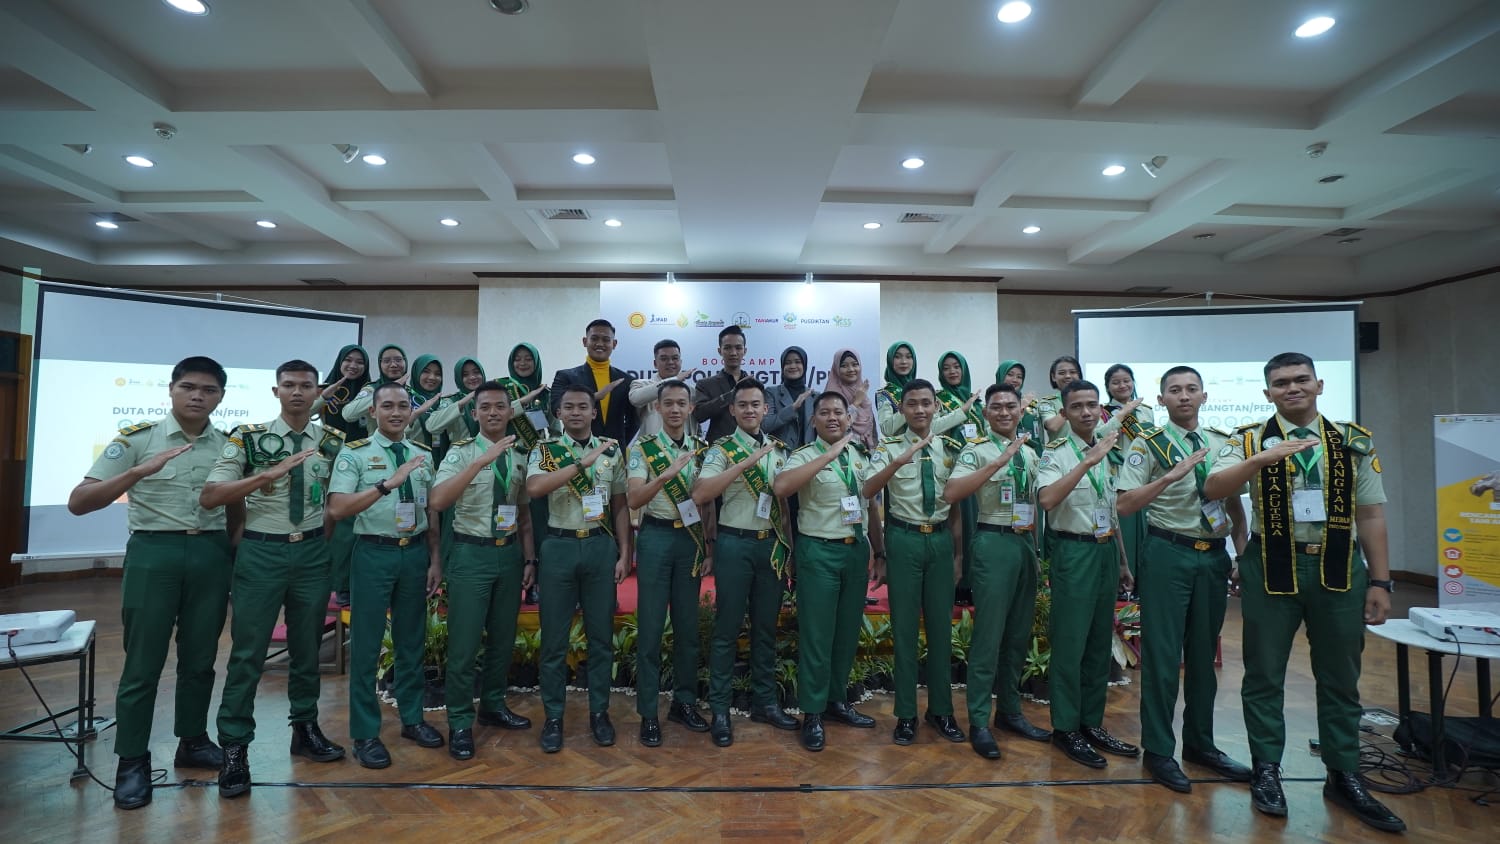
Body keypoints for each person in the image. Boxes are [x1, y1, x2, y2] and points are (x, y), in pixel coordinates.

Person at [1204, 353, 1404, 833]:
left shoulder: (1352, 442)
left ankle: (1343, 772)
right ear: (1267, 392)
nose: (1291, 388)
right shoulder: (1248, 437)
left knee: (1339, 676)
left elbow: (1371, 514)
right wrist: (1259, 459)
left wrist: (1380, 581)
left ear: (1319, 384)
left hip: (1337, 569)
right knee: (1263, 675)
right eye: (1280, 383)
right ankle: (1267, 770)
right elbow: (1213, 487)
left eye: (1300, 380)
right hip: (1271, 568)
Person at [67, 356, 238, 810]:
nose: (197, 396)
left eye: (208, 389)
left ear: (221, 396)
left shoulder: (229, 446)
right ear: (171, 390)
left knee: (201, 659)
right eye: (188, 387)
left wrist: (233, 555)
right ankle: (132, 762)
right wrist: (136, 472)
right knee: (143, 664)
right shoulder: (137, 441)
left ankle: (193, 741)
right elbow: (79, 502)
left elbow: (235, 505)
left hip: (211, 553)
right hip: (153, 553)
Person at [200, 360, 348, 798]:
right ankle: (235, 748)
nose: (298, 392)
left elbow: (336, 504)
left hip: (313, 552)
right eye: (289, 385)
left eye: (306, 385)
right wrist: (264, 476)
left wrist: (319, 539)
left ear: (318, 390)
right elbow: (212, 496)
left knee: (307, 649)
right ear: (275, 391)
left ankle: (305, 729)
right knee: (248, 653)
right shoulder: (247, 438)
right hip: (262, 551)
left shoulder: (333, 441)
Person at [1115, 366, 1251, 793]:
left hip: (1212, 557)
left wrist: (1241, 553)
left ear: (1205, 396)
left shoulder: (1220, 442)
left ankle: (1200, 743)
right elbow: (1125, 504)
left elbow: (1231, 503)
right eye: (1174, 390)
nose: (1184, 396)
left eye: (1192, 389)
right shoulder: (1147, 443)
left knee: (1203, 656)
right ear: (1161, 400)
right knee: (1161, 657)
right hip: (1167, 554)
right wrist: (1168, 477)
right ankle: (1158, 750)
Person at [326, 382, 443, 769]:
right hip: (373, 553)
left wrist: (435, 559)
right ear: (373, 412)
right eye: (388, 406)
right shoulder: (355, 453)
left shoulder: (422, 454)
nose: (396, 412)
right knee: (366, 646)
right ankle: (365, 733)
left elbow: (431, 512)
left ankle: (412, 718)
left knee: (412, 642)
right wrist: (383, 486)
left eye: (403, 406)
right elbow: (338, 509)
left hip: (414, 555)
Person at [427, 381, 536, 760]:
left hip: (508, 557)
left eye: (499, 407)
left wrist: (529, 560)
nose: (492, 413)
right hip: (470, 556)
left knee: (502, 641)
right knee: (464, 644)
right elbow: (438, 501)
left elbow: (524, 515)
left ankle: (492, 706)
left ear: (510, 412)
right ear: (474, 413)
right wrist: (478, 463)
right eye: (485, 407)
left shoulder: (521, 454)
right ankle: (460, 721)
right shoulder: (459, 454)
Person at [1035, 379, 1139, 769]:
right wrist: (1086, 462)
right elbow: (1046, 500)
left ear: (1100, 409)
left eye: (1091, 405)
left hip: (1105, 550)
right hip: (1073, 551)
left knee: (1099, 643)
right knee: (1071, 643)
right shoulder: (1057, 452)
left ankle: (1091, 723)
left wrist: (1124, 562)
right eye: (1076, 406)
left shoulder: (1109, 447)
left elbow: (1110, 509)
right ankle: (1065, 729)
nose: (1085, 412)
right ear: (1064, 412)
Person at [943, 383, 1051, 760]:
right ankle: (978, 722)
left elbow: (1036, 502)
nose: (1004, 412)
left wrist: (1035, 551)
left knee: (1019, 634)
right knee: (988, 637)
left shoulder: (1032, 452)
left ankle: (1010, 712)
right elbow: (952, 493)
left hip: (1024, 543)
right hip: (992, 541)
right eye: (997, 407)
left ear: (1021, 410)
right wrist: (996, 463)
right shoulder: (976, 451)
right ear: (985, 413)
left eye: (1011, 406)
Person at [691, 379, 798, 746]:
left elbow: (783, 507)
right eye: (744, 405)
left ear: (766, 409)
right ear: (733, 411)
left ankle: (765, 702)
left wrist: (789, 549)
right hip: (734, 545)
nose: (750, 410)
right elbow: (702, 493)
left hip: (769, 547)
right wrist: (746, 462)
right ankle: (720, 709)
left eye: (757, 404)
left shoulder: (779, 450)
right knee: (726, 630)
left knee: (766, 629)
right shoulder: (721, 450)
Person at [525, 385, 631, 753]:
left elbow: (620, 503)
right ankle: (553, 717)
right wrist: (579, 465)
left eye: (582, 407)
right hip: (558, 546)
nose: (575, 412)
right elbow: (536, 488)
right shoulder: (546, 450)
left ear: (593, 411)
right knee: (554, 640)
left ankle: (599, 713)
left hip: (601, 546)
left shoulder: (611, 449)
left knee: (600, 638)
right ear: (558, 413)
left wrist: (624, 552)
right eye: (568, 407)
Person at [861, 379, 966, 747]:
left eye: (926, 403)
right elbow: (868, 492)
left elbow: (954, 506)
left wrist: (957, 554)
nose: (920, 410)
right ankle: (906, 714)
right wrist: (881, 554)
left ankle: (942, 711)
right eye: (912, 404)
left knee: (941, 630)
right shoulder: (888, 447)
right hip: (903, 539)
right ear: (902, 410)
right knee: (904, 630)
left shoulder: (950, 448)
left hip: (938, 539)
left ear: (936, 406)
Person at [773, 391, 880, 751]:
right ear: (814, 421)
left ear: (850, 419)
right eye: (825, 413)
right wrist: (829, 455)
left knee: (846, 633)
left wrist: (876, 550)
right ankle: (813, 713)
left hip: (854, 551)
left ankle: (837, 702)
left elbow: (870, 505)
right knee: (818, 637)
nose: (833, 418)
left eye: (839, 412)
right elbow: (782, 488)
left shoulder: (860, 455)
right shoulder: (803, 455)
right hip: (818, 551)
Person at [625, 379, 715, 746]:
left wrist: (708, 546)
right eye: (669, 404)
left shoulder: (701, 448)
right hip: (656, 537)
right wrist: (665, 475)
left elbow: (706, 503)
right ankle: (648, 712)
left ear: (691, 408)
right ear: (657, 408)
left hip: (689, 540)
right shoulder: (642, 450)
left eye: (682, 403)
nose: (676, 409)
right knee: (649, 629)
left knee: (688, 629)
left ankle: (684, 702)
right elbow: (633, 499)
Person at [1098, 363, 1151, 582]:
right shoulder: (1102, 411)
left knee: (1145, 531)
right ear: (1108, 387)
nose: (1122, 385)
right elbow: (1100, 436)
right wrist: (1123, 413)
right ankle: (1124, 581)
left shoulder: (1146, 410)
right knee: (1125, 531)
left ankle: (1143, 583)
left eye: (1126, 380)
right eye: (1116, 382)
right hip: (1119, 475)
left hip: (1145, 479)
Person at [550, 319, 639, 446]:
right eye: (594, 338)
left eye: (606, 340)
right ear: (585, 342)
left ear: (614, 344)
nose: (600, 343)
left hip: (614, 453)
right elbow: (556, 409)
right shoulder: (565, 376)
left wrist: (619, 443)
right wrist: (595, 397)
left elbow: (634, 421)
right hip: (575, 449)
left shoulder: (626, 380)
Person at [692, 325, 751, 443]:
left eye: (738, 348)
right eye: (727, 348)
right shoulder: (705, 384)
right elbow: (699, 415)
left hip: (750, 447)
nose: (733, 353)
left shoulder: (754, 385)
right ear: (720, 351)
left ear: (745, 351)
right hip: (718, 450)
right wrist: (731, 395)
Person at [628, 339, 692, 442]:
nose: (670, 362)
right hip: (652, 451)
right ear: (655, 363)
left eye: (675, 358)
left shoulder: (691, 390)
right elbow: (635, 399)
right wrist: (674, 380)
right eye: (664, 359)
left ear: (681, 361)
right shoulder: (641, 384)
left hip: (685, 450)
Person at [315, 344, 370, 441]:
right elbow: (301, 416)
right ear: (340, 361)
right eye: (348, 360)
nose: (353, 366)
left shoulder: (371, 392)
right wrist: (323, 398)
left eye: (360, 362)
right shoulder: (322, 390)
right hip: (329, 449)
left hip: (364, 450)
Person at [765, 345, 815, 450]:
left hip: (809, 458)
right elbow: (765, 425)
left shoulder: (814, 396)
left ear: (804, 365)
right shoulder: (771, 393)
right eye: (788, 363)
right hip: (780, 456)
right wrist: (793, 408)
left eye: (797, 362)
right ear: (782, 367)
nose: (793, 366)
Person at [828, 348, 877, 450]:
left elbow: (873, 435)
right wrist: (856, 403)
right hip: (842, 457)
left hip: (866, 458)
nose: (851, 369)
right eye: (844, 366)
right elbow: (839, 426)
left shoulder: (864, 397)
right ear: (837, 369)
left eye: (855, 364)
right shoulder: (831, 396)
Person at [875, 342, 916, 437]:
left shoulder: (921, 390)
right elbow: (886, 429)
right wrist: (908, 408)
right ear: (890, 361)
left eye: (908, 357)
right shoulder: (884, 394)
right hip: (901, 449)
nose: (903, 361)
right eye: (897, 357)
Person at [996, 360, 1042, 444]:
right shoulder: (993, 406)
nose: (1015, 380)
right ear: (1001, 375)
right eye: (1010, 375)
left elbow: (1038, 436)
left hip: (1031, 454)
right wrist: (1021, 406)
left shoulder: (1030, 405)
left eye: (1019, 377)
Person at [1035, 356, 1082, 437]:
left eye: (1073, 372)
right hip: (1062, 449)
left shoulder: (1088, 399)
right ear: (1053, 377)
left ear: (1079, 375)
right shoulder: (1048, 402)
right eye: (1062, 373)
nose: (1068, 376)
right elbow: (1052, 426)